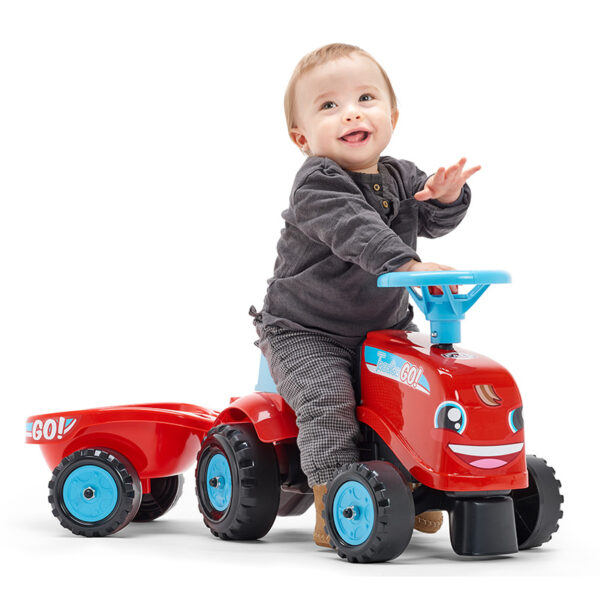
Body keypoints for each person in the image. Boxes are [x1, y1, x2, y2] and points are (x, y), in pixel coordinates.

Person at [252, 43, 480, 548]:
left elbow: (431, 221)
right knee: (328, 399)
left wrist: (446, 198)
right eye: (329, 106)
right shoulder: (318, 183)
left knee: (417, 394)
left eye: (365, 98)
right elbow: (356, 231)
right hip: (306, 330)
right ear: (301, 136)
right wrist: (406, 263)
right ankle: (334, 496)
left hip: (382, 328)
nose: (351, 111)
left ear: (392, 116)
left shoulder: (401, 175)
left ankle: (410, 486)